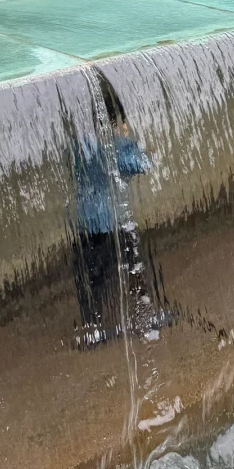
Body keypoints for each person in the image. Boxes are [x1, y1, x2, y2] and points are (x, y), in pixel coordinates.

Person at [70, 74, 155, 347]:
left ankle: (92, 324)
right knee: (129, 268)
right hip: (111, 220)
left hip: (91, 223)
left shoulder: (81, 145)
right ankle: (141, 315)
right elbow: (140, 165)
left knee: (95, 278)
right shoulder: (112, 145)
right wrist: (132, 144)